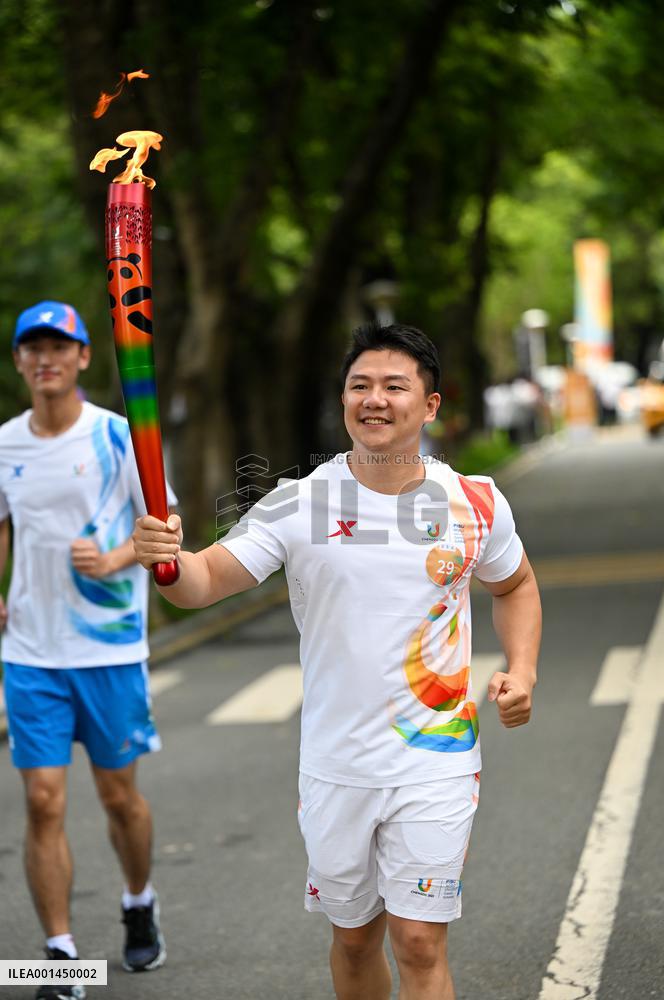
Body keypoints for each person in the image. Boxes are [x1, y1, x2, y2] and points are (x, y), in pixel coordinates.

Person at [133, 322, 542, 1000]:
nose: (374, 399)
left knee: (418, 940)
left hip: (434, 760)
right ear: (344, 399)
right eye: (360, 385)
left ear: (431, 406)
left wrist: (521, 670)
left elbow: (516, 585)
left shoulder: (474, 502)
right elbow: (203, 583)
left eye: (394, 386)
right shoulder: (299, 503)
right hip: (337, 766)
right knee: (355, 940)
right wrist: (167, 560)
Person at [0, 301, 176, 999]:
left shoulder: (119, 437)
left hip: (107, 651)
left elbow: (166, 525)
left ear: (81, 359)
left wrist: (115, 559)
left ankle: (139, 900)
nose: (45, 359)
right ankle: (60, 957)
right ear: (19, 362)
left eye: (58, 347)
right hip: (30, 652)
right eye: (31, 348)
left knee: (118, 797)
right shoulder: (5, 444)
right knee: (43, 801)